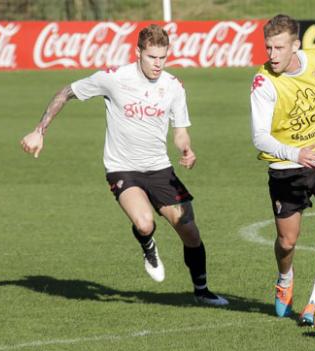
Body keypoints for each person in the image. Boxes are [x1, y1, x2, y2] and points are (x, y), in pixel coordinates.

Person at [20, 24, 228, 306]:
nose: (158, 64)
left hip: (160, 170)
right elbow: (66, 92)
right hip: (123, 168)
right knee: (144, 224)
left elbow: (180, 130)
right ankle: (148, 246)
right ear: (138, 53)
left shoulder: (173, 86)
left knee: (189, 229)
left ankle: (202, 292)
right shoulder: (114, 78)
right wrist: (39, 131)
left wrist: (186, 147)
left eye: (163, 57)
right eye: (152, 57)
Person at [250, 14, 315, 325]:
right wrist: (297, 153)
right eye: (268, 48)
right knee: (287, 242)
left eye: (279, 48)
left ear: (296, 45)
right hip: (287, 167)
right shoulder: (264, 82)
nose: (272, 56)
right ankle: (285, 279)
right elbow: (259, 137)